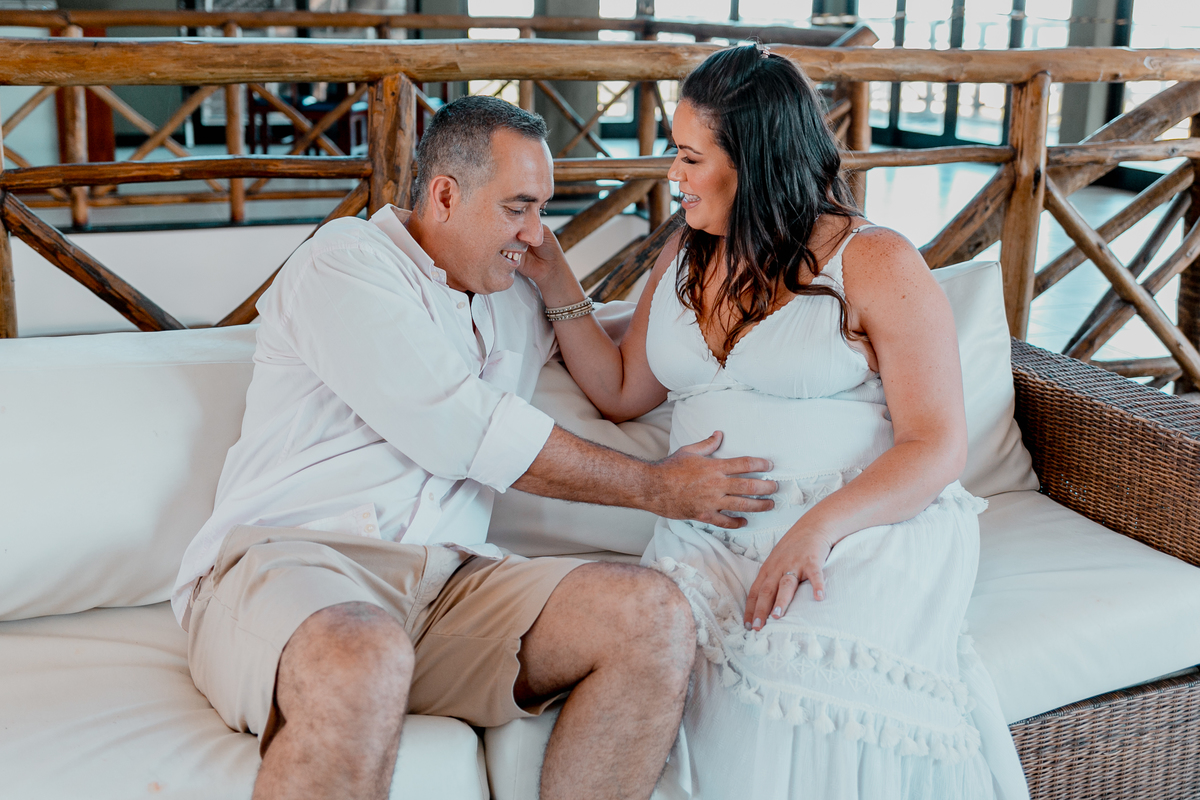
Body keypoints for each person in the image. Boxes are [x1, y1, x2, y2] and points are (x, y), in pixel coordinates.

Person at [172, 95, 780, 800]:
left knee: (652, 617)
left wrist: (711, 236)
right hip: (298, 564)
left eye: (543, 208)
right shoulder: (343, 264)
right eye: (517, 207)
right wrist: (657, 486)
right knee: (364, 654)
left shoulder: (511, 294)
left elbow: (630, 364)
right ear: (445, 195)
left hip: (450, 586)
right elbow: (462, 428)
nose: (536, 232)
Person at [519, 46, 1030, 799]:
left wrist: (816, 529)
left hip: (859, 526)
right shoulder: (686, 254)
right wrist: (553, 273)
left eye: (691, 156)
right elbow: (623, 390)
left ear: (755, 160)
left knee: (786, 670)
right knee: (671, 667)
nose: (674, 176)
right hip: (706, 532)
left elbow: (936, 444)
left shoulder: (876, 260)